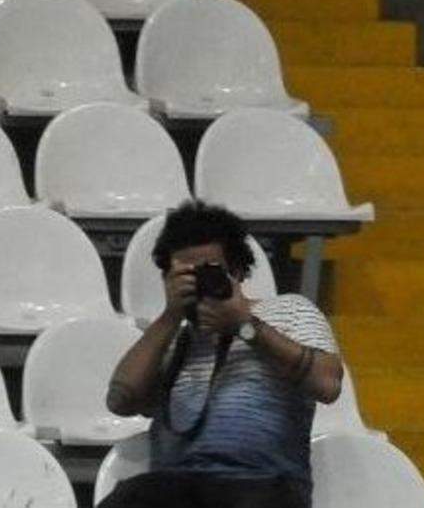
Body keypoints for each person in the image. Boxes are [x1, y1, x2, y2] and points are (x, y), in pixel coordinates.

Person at [100, 201, 342, 508]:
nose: (200, 283)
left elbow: (328, 384)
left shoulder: (289, 311)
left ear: (238, 270)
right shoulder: (170, 338)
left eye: (209, 272)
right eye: (187, 275)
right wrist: (171, 315)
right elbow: (120, 400)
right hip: (175, 488)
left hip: (263, 484)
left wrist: (245, 326)